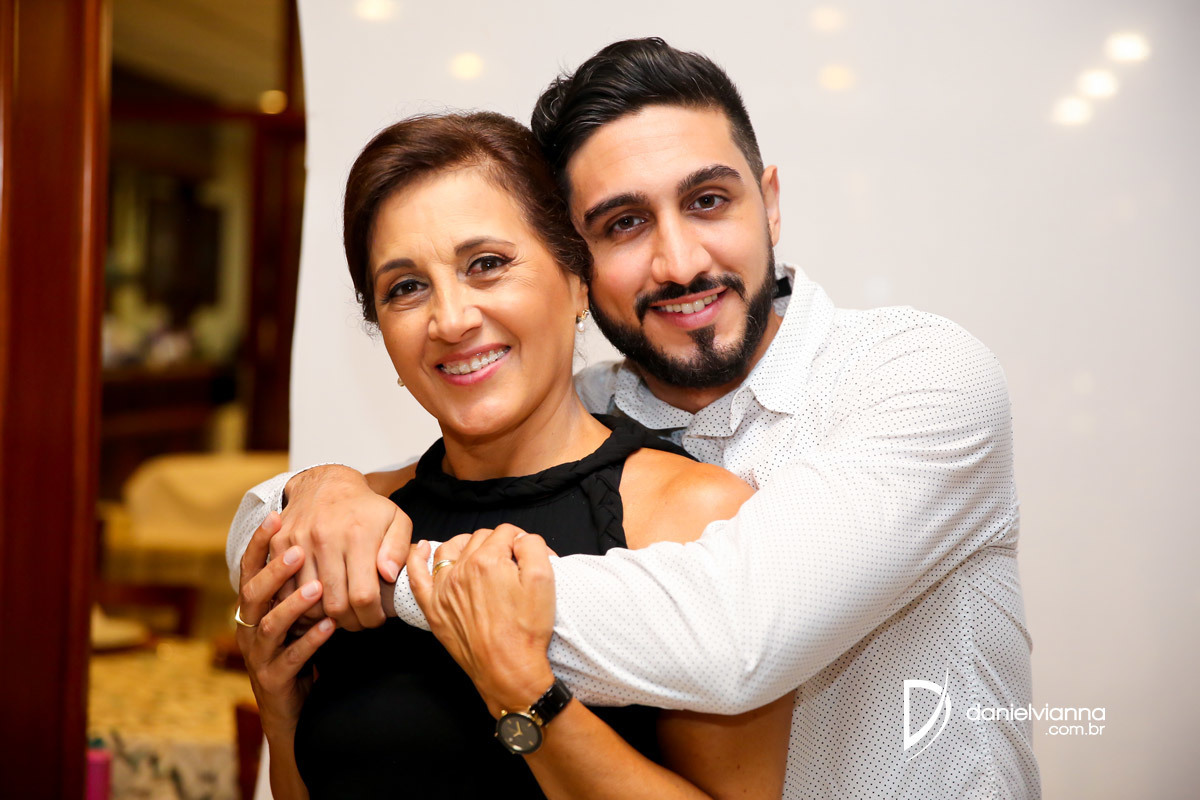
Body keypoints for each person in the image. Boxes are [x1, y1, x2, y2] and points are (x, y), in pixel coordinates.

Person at [229, 39, 1038, 798]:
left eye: (709, 201)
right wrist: (321, 496)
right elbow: (288, 517)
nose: (679, 262)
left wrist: (381, 578)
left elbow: (738, 633)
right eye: (624, 223)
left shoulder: (916, 376)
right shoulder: (577, 410)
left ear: (770, 204)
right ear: (581, 264)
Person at [233, 111, 793, 799]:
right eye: (406, 287)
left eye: (487, 265)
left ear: (577, 280)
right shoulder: (347, 530)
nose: (451, 320)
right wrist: (282, 714)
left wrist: (521, 688)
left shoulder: (696, 518)